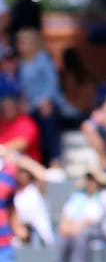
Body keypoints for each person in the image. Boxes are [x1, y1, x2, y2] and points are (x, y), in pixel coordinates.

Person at [14, 28, 74, 177]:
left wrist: (45, 99)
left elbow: (51, 82)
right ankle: (36, 163)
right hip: (30, 105)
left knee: (48, 124)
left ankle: (55, 160)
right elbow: (23, 87)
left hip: (47, 102)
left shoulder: (42, 58)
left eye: (23, 42)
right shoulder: (21, 63)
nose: (21, 46)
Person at [56, 165, 106, 262]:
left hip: (96, 229)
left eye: (93, 180)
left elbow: (96, 218)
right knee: (64, 233)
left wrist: (78, 225)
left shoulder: (104, 196)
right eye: (89, 180)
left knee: (82, 233)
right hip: (76, 226)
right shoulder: (77, 197)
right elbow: (67, 215)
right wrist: (67, 226)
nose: (91, 183)